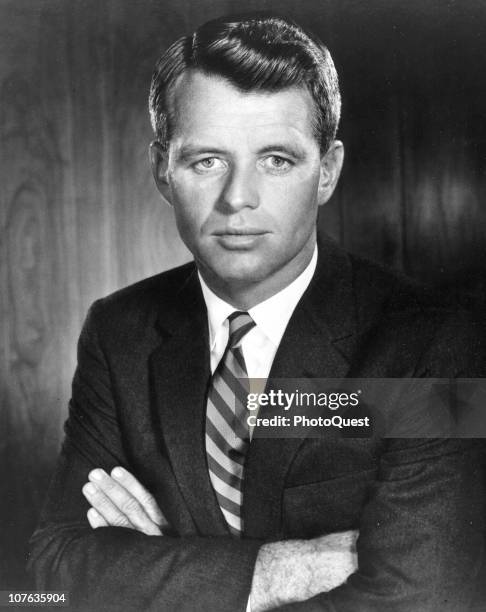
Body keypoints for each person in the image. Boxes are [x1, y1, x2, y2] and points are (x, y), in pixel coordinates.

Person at [28, 13, 485, 612]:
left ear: (327, 171)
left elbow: (423, 598)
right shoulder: (120, 330)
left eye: (276, 160)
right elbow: (46, 581)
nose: (238, 197)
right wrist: (272, 571)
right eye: (207, 161)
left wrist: (162, 570)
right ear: (161, 172)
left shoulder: (436, 344)